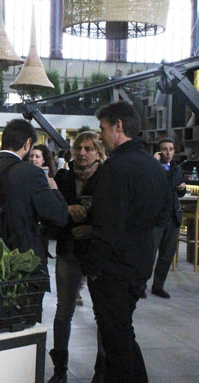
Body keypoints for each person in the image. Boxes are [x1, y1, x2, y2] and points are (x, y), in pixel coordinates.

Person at [85, 101, 169, 382]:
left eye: (103, 129)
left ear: (118, 127)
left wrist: (93, 267)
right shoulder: (154, 166)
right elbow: (162, 215)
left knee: (116, 342)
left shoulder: (116, 167)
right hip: (140, 263)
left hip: (113, 269)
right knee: (122, 332)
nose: (101, 136)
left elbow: (107, 225)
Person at [49, 131, 107, 383]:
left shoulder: (107, 177)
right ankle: (59, 369)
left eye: (88, 148)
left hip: (97, 254)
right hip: (68, 250)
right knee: (64, 310)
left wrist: (93, 230)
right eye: (78, 148)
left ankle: (102, 372)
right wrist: (65, 209)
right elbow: (51, 211)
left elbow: (115, 216)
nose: (82, 153)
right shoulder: (63, 176)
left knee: (103, 313)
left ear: (98, 152)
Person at [0, 118, 68, 278]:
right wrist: (54, 189)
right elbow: (58, 216)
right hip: (23, 261)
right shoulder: (30, 173)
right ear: (27, 144)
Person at [147, 138, 186, 299]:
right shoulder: (152, 168)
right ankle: (140, 285)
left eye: (171, 149)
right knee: (149, 254)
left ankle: (158, 286)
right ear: (158, 151)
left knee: (167, 255)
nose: (168, 152)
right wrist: (154, 163)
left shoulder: (177, 169)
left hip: (173, 217)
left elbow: (178, 192)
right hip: (156, 217)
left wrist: (182, 189)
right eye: (164, 149)